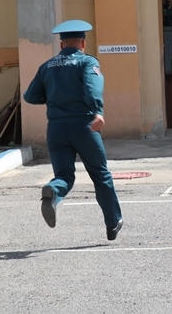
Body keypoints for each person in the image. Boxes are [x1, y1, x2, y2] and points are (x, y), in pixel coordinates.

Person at [23, 19, 123, 241]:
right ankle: (113, 222)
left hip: (56, 128)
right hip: (84, 126)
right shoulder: (87, 62)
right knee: (101, 175)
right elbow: (92, 87)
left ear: (61, 44)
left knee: (64, 175)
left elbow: (30, 96)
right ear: (83, 43)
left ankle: (54, 190)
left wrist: (54, 97)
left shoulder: (47, 66)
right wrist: (98, 112)